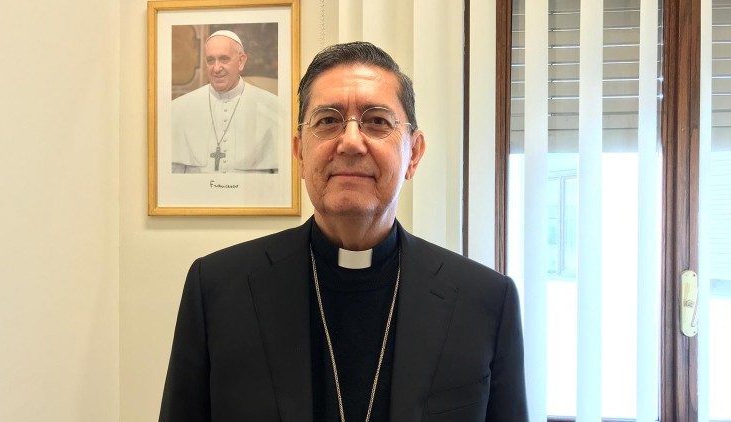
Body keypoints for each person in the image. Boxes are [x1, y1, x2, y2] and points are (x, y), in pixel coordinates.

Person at [159, 42, 528, 421]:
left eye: (377, 121)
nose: (351, 142)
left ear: (413, 154)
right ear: (300, 153)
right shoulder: (217, 289)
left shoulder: (485, 301)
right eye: (328, 121)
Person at [171, 30, 280, 174]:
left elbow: (280, 180)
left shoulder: (272, 107)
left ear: (241, 61)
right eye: (210, 60)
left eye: (224, 59)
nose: (216, 68)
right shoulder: (179, 109)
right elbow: (173, 178)